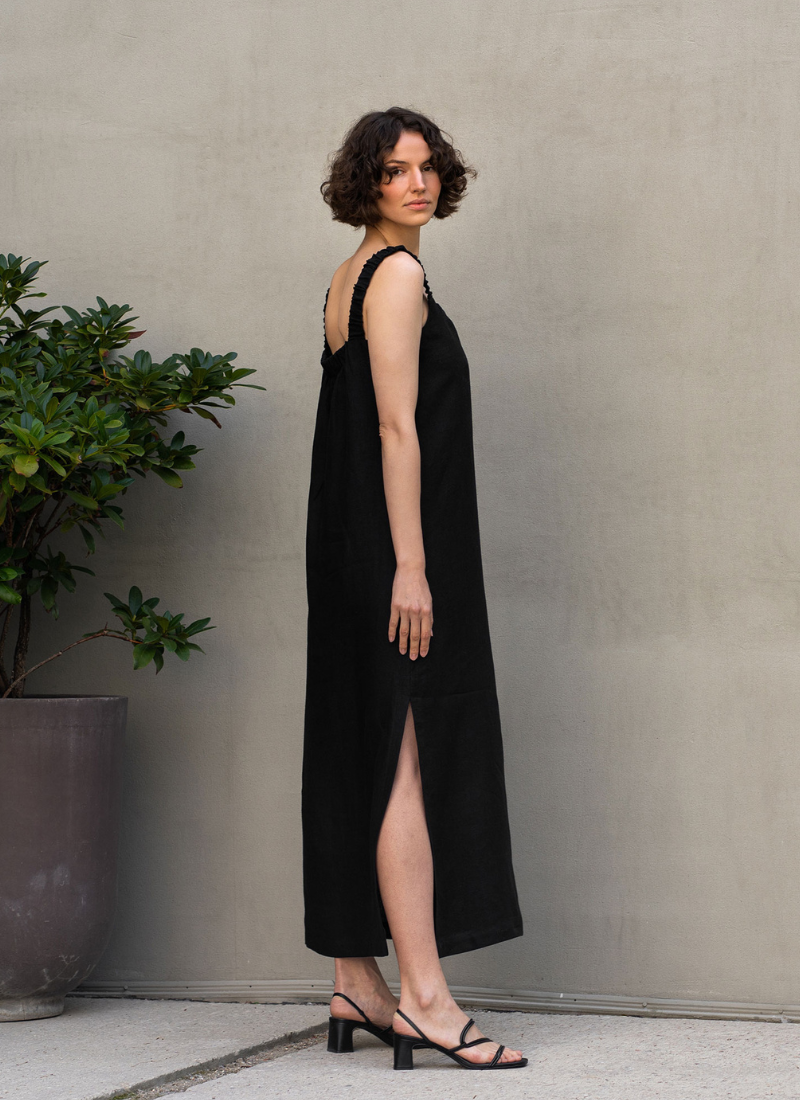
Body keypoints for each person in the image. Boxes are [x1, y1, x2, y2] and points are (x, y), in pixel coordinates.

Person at [303, 106, 527, 1071]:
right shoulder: (395, 278)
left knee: (357, 747)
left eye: (428, 168)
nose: (419, 185)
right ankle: (428, 1000)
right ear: (367, 182)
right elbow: (399, 432)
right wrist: (414, 565)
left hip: (346, 546)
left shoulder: (348, 276)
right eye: (397, 171)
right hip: (393, 553)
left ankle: (358, 979)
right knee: (405, 760)